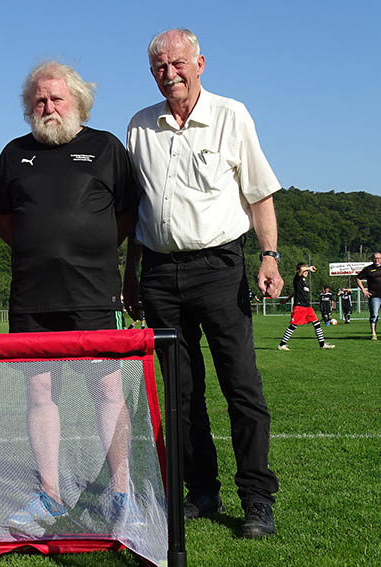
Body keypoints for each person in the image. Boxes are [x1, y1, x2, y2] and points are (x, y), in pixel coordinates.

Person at [124, 29, 282, 538]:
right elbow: (136, 212)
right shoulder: (139, 126)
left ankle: (257, 498)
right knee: (181, 393)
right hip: (160, 274)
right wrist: (130, 275)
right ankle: (202, 490)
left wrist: (270, 256)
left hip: (220, 267)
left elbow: (259, 194)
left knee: (241, 386)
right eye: (158, 67)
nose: (169, 73)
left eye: (177, 63)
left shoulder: (231, 115)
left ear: (200, 63)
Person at [0, 61, 142, 536]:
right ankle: (50, 496)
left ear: (77, 101)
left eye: (57, 98)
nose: (48, 107)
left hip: (93, 295)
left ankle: (121, 493)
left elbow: (125, 216)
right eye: (39, 99)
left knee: (107, 390)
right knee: (40, 392)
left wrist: (85, 249)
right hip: (32, 297)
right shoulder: (15, 153)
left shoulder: (106, 147)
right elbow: (7, 224)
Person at [278, 264, 335, 350]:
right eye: (305, 270)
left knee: (317, 323)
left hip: (307, 307)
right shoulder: (297, 278)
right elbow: (301, 270)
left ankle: (322, 344)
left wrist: (286, 300)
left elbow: (295, 292)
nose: (306, 272)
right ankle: (282, 344)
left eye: (307, 271)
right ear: (298, 271)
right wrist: (308, 268)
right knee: (293, 325)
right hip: (299, 306)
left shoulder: (303, 282)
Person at [355, 252, 381, 340]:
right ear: (372, 259)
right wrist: (363, 289)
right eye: (375, 258)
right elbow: (358, 278)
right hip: (374, 296)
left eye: (378, 258)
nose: (377, 260)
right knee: (374, 315)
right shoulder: (368, 269)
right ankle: (373, 333)